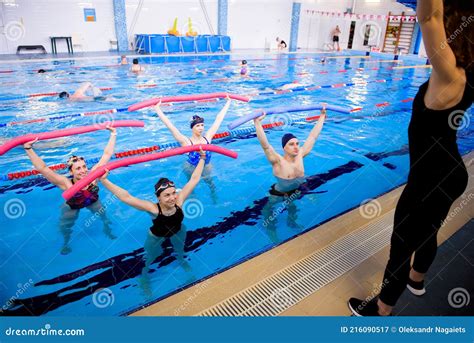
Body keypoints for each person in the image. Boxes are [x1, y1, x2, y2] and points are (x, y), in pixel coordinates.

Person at [348, 0, 473, 316]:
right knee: (428, 229)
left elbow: (429, 15)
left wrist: (437, 13)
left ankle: (382, 309)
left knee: (401, 245)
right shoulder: (469, 74)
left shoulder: (450, 75)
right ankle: (417, 280)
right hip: (451, 173)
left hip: (430, 179)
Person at [99, 148, 207, 279]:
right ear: (158, 198)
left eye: (174, 193)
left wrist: (202, 158)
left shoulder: (179, 201)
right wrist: (104, 181)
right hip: (156, 237)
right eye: (167, 195)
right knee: (150, 258)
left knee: (180, 250)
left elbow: (194, 179)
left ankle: (181, 260)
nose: (172, 197)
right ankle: (144, 276)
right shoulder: (153, 209)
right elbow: (126, 197)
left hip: (179, 231)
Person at [23, 127, 118, 254]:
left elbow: (107, 155)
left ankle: (107, 230)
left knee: (104, 217)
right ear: (71, 171)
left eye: (84, 166)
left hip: (93, 201)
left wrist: (113, 133)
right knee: (66, 227)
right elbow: (43, 169)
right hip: (72, 206)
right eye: (78, 168)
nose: (83, 170)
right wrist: (28, 149)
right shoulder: (66, 183)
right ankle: (65, 242)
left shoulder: (93, 177)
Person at [253, 106, 327, 197]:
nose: (296, 147)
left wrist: (322, 115)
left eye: (297, 143)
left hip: (297, 190)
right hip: (279, 193)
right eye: (291, 144)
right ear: (284, 148)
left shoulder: (300, 155)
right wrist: (257, 122)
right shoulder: (278, 161)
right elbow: (266, 146)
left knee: (294, 210)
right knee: (267, 210)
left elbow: (313, 136)